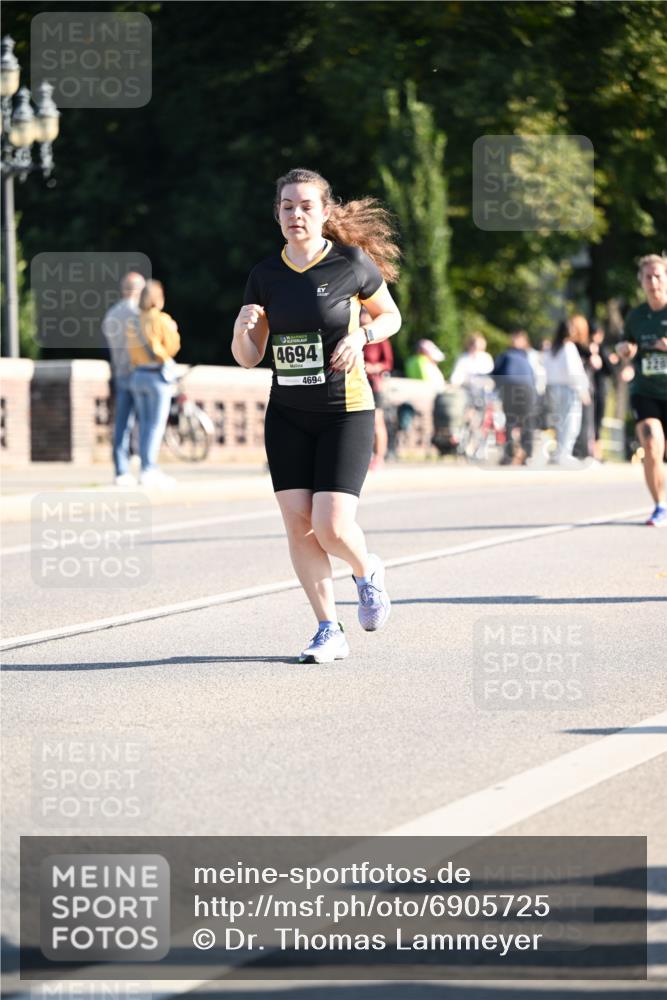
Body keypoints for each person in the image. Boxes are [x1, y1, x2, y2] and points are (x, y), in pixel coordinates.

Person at [232, 167, 401, 663]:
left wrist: (361, 336)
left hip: (344, 411)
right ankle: (329, 627)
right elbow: (248, 357)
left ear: (325, 213)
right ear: (277, 214)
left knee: (330, 525)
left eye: (306, 206)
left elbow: (390, 316)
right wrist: (243, 329)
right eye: (287, 206)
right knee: (298, 524)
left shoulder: (350, 263)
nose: (295, 214)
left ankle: (366, 570)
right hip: (287, 413)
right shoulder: (264, 275)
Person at [616, 253, 667, 526]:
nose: (653, 281)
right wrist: (624, 350)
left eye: (658, 275)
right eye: (648, 277)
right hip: (645, 390)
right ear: (641, 281)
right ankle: (660, 506)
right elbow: (626, 344)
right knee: (651, 443)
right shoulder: (636, 316)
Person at [127, 280, 181, 488]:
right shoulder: (162, 320)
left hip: (138, 375)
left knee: (142, 424)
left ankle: (144, 467)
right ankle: (149, 468)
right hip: (157, 377)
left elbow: (130, 350)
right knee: (156, 425)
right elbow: (172, 347)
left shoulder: (133, 321)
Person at [101, 271, 145, 485]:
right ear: (138, 290)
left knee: (121, 424)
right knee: (146, 422)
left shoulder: (111, 314)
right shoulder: (138, 314)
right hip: (138, 373)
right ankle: (145, 467)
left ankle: (121, 470)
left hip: (119, 373)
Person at [542, 318, 590, 465]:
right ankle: (564, 453)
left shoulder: (551, 349)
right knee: (571, 421)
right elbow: (573, 371)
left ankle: (558, 453)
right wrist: (582, 389)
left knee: (558, 421)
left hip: (552, 387)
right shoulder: (568, 347)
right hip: (568, 388)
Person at [492, 329, 536, 465]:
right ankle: (512, 454)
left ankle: (524, 454)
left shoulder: (525, 355)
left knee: (523, 422)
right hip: (517, 387)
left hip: (520, 387)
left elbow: (495, 374)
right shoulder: (509, 355)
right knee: (514, 421)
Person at [362, 306, 394, 470]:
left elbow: (388, 363)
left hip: (375, 385)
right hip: (359, 383)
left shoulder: (381, 339)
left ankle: (379, 457)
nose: (363, 318)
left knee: (377, 422)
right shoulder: (353, 335)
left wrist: (373, 368)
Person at [589, 321, 617, 460]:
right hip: (592, 390)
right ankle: (592, 452)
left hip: (598, 389)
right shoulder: (586, 348)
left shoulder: (601, 349)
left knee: (597, 422)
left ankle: (596, 453)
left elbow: (610, 370)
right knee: (592, 422)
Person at [569, 315, 595, 460]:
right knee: (574, 421)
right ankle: (575, 452)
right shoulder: (570, 346)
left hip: (584, 387)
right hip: (574, 387)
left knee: (585, 421)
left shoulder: (583, 348)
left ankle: (584, 453)